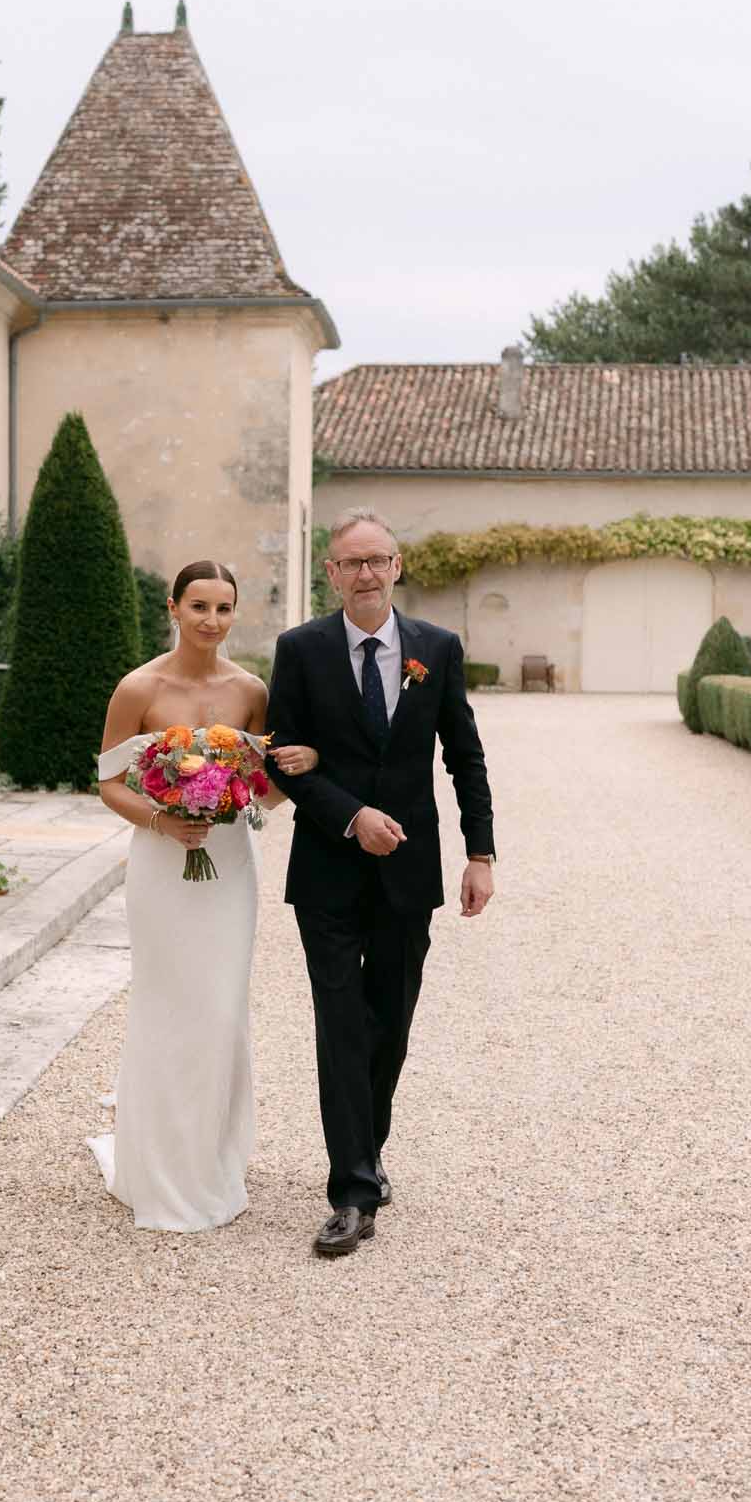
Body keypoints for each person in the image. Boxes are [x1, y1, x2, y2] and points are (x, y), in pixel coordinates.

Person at [265, 508, 496, 1257]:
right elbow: (283, 758)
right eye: (350, 563)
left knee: (388, 1024)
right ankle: (352, 1191)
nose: (365, 574)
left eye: (378, 560)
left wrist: (480, 855)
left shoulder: (437, 648)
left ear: (397, 567)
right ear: (329, 574)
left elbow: (464, 756)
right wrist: (350, 813)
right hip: (326, 870)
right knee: (339, 1025)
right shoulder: (299, 649)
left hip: (409, 872)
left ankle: (367, 1148)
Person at [90, 559, 316, 1232]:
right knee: (165, 1004)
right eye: (198, 607)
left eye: (222, 609)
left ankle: (211, 1161)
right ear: (173, 607)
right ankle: (154, 1164)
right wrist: (164, 819)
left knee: (219, 1009)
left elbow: (270, 787)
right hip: (163, 863)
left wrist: (284, 781)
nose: (210, 621)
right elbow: (108, 782)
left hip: (228, 864)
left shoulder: (250, 690)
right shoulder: (139, 687)